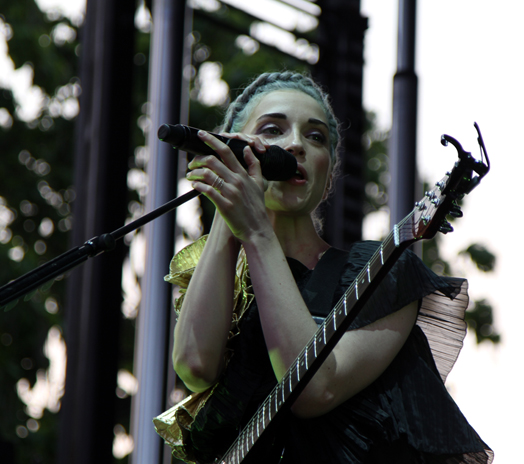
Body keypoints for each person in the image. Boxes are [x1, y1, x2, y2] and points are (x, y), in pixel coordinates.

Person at [153, 71, 493, 463]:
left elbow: (315, 390)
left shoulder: (382, 272)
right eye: (273, 130)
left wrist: (258, 234)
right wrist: (228, 214)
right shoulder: (224, 283)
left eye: (315, 137)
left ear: (328, 174)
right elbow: (195, 367)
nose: (295, 144)